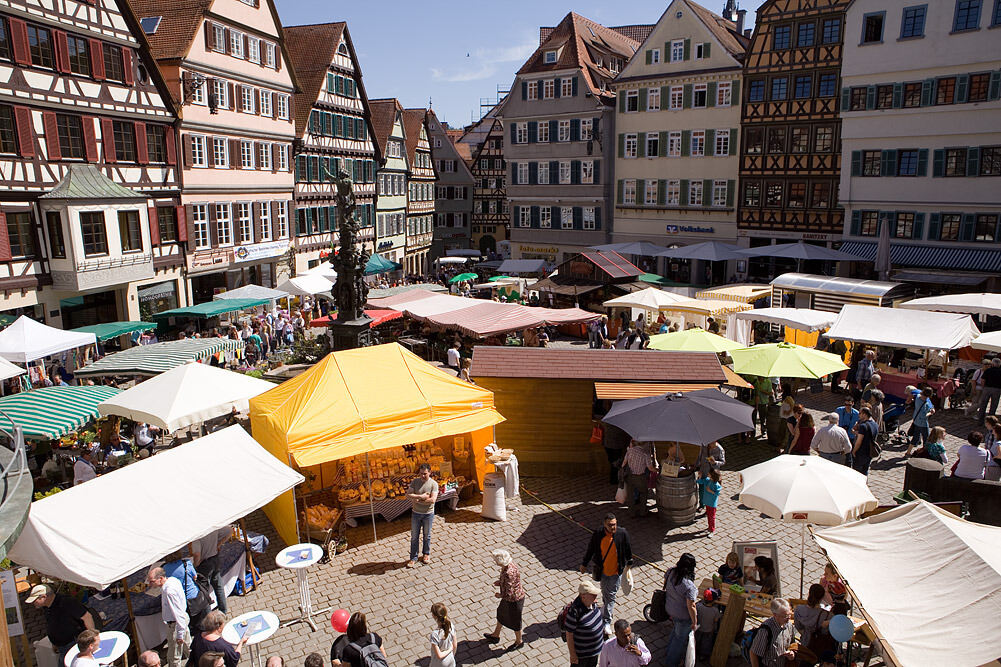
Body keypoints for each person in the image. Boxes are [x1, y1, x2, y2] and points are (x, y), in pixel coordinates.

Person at [579, 514, 633, 633]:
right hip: (603, 571)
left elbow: (628, 548)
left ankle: (607, 621)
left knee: (610, 596)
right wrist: (584, 563)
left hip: (616, 572)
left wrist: (629, 562)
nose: (613, 527)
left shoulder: (622, 533)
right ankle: (605, 608)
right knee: (605, 592)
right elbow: (591, 549)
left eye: (614, 524)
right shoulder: (598, 534)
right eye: (610, 525)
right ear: (604, 525)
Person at [26, 584, 96, 663]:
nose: (33, 603)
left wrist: (92, 637)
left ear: (43, 597)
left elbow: (87, 617)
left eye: (35, 600)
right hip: (62, 645)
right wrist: (54, 642)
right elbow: (51, 624)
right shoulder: (47, 606)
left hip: (73, 643)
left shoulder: (67, 602)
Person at [146, 565, 192, 667]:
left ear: (161, 578)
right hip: (181, 621)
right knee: (188, 646)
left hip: (176, 624)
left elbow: (178, 613)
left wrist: (179, 635)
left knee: (174, 656)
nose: (149, 584)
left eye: (152, 581)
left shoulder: (169, 591)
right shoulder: (173, 580)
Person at [662, 553, 698, 667]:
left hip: (670, 608)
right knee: (679, 640)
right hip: (683, 615)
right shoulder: (689, 586)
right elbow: (691, 606)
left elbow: (665, 585)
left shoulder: (671, 571)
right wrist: (694, 621)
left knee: (676, 631)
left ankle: (668, 651)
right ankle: (671, 662)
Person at [484, 549, 524, 650]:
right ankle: (496, 635)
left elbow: (509, 592)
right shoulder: (511, 565)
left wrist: (500, 595)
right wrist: (500, 582)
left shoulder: (507, 573)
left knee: (515, 621)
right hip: (512, 598)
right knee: (501, 613)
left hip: (514, 600)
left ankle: (519, 641)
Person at [190, 527, 232, 614]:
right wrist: (218, 545)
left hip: (204, 564)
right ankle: (223, 611)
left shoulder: (196, 535)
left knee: (204, 591)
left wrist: (195, 565)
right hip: (215, 559)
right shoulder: (212, 527)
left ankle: (208, 615)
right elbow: (230, 530)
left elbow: (197, 554)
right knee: (218, 587)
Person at [565, 580, 605, 667]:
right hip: (582, 656)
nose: (596, 596)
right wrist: (573, 655)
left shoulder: (592, 603)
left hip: (594, 652)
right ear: (583, 596)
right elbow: (569, 634)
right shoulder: (574, 611)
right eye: (593, 595)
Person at [406, 463, 438, 568]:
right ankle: (413, 557)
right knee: (414, 536)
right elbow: (408, 495)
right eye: (421, 474)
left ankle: (426, 554)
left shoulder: (434, 484)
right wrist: (422, 496)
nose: (422, 476)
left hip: (428, 514)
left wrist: (417, 500)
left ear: (430, 472)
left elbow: (432, 500)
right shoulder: (415, 482)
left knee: (426, 535)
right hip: (416, 513)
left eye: (425, 474)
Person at [749, 598, 796, 667]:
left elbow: (792, 644)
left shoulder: (789, 625)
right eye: (785, 616)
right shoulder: (765, 631)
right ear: (775, 615)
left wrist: (792, 653)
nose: (788, 618)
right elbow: (753, 653)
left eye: (789, 614)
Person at [621, 440, 655, 518]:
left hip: (630, 476)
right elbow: (650, 468)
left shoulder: (630, 451)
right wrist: (657, 470)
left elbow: (624, 463)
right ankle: (642, 511)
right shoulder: (645, 454)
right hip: (640, 477)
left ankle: (631, 513)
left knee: (630, 495)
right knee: (643, 493)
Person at [794, 585, 832, 652]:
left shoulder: (799, 609)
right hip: (819, 646)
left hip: (805, 643)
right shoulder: (827, 615)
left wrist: (806, 634)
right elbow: (826, 632)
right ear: (822, 598)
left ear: (809, 594)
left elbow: (798, 627)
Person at [694, 590, 722, 662]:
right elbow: (716, 620)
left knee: (697, 639)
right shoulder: (715, 610)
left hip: (698, 628)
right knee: (706, 643)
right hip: (708, 630)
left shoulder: (698, 606)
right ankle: (703, 655)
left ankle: (695, 650)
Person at [906, 387, 935, 457]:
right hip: (923, 424)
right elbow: (924, 415)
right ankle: (924, 454)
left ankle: (908, 452)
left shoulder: (918, 397)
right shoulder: (925, 404)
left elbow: (913, 394)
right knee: (926, 439)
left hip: (916, 421)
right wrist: (931, 413)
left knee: (915, 438)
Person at [851, 407, 878, 476]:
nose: (859, 415)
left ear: (864, 414)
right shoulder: (875, 424)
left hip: (861, 452)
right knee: (865, 471)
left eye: (860, 413)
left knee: (856, 472)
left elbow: (859, 441)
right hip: (869, 452)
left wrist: (854, 451)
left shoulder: (863, 426)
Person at [696, 469, 722, 534]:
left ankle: (712, 530)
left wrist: (710, 491)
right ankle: (710, 527)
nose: (708, 474)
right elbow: (699, 481)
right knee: (709, 516)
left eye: (709, 473)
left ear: (712, 476)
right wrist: (699, 476)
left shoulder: (716, 485)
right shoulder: (707, 480)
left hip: (712, 504)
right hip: (707, 502)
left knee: (711, 517)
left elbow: (717, 493)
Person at [977, 357, 1001, 424]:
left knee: (983, 404)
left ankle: (980, 420)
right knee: (994, 405)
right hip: (997, 389)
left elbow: (983, 380)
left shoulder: (988, 370)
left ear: (992, 364)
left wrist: (983, 387)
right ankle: (990, 421)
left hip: (987, 388)